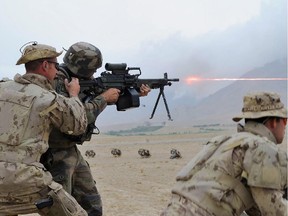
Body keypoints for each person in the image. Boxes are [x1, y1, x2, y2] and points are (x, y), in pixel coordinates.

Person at [40, 41, 151, 216]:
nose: (94, 75)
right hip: (55, 153)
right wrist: (103, 99)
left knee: (91, 203)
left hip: (71, 150)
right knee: (61, 207)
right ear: (82, 67)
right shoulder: (57, 82)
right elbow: (73, 117)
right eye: (92, 70)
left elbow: (91, 101)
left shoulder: (79, 80)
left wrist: (133, 92)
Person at [161, 91, 287, 216]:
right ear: (273, 122)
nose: (286, 125)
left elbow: (255, 206)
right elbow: (274, 211)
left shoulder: (226, 142)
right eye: (285, 120)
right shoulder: (263, 148)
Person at [0, 42, 88, 215]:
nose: (57, 71)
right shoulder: (48, 99)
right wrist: (74, 95)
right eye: (56, 65)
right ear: (45, 65)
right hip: (26, 179)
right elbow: (78, 126)